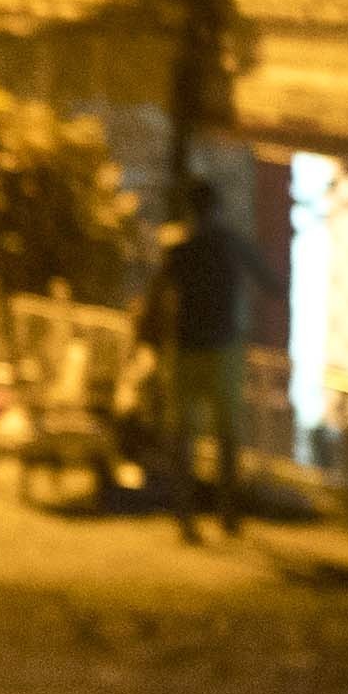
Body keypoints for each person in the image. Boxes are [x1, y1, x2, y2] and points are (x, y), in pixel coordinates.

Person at [145, 171, 256, 542]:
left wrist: (152, 341)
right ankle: (227, 514)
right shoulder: (228, 246)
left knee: (184, 436)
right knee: (225, 436)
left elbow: (159, 296)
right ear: (217, 208)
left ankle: (187, 517)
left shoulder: (180, 249)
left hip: (187, 349)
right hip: (222, 350)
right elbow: (266, 281)